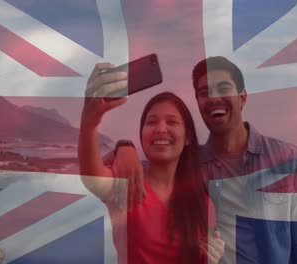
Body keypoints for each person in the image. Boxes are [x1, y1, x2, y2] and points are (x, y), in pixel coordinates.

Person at [110, 57, 297, 263]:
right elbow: (148, 170)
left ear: (243, 97)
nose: (214, 98)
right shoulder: (190, 166)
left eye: (223, 89)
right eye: (204, 92)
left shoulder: (287, 159)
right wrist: (123, 147)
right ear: (198, 102)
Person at [78, 63, 225, 264]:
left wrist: (213, 259)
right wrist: (89, 123)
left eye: (172, 122)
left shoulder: (203, 204)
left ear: (188, 137)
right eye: (152, 122)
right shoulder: (129, 184)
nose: (161, 129)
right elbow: (92, 179)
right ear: (142, 134)